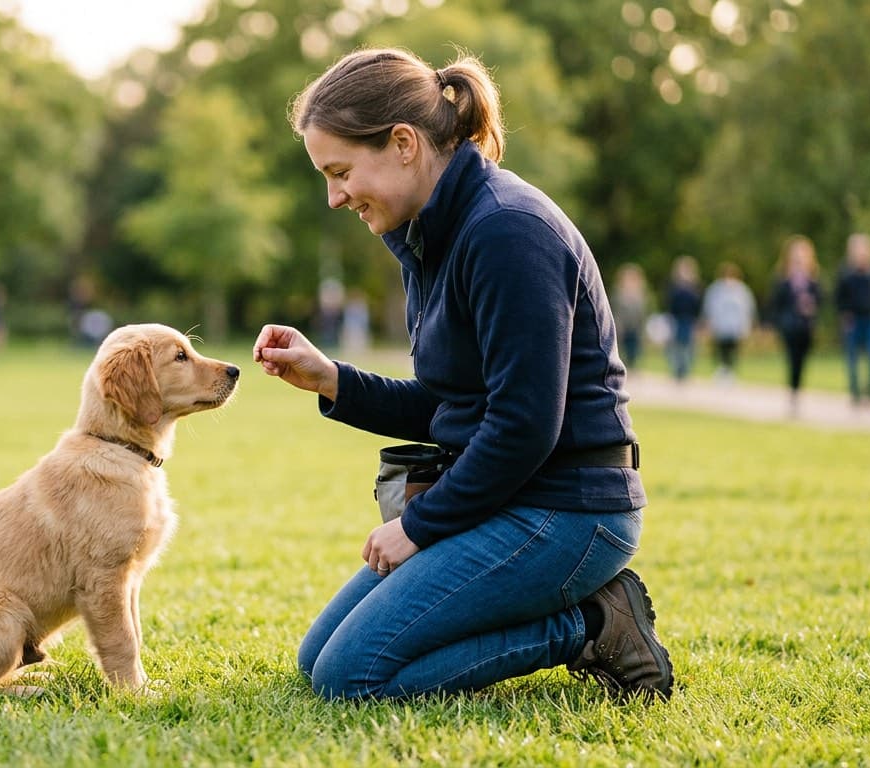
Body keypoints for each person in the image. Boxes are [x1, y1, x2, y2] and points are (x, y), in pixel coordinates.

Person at [252, 48, 671, 702]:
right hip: (512, 498)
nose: (334, 197)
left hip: (570, 510)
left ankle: (594, 624)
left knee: (352, 677)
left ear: (403, 143)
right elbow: (455, 406)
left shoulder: (507, 231)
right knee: (317, 661)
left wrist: (419, 527)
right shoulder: (431, 234)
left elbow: (524, 426)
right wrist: (330, 379)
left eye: (340, 172)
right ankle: (570, 614)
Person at [835, 233, 870, 405]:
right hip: (853, 320)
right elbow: (838, 298)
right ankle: (855, 393)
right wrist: (844, 313)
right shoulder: (845, 273)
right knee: (852, 358)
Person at [769, 236, 822, 411]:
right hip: (789, 326)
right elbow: (776, 303)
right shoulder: (783, 280)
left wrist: (811, 307)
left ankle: (797, 389)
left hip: (806, 327)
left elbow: (822, 300)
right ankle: (793, 392)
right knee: (792, 359)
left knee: (802, 360)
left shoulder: (813, 280)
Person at [701, 262, 756, 382]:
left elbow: (747, 309)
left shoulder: (742, 291)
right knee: (721, 350)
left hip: (735, 327)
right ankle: (722, 371)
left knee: (733, 350)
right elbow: (710, 307)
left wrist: (746, 325)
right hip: (721, 326)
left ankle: (730, 372)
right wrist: (709, 323)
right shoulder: (716, 290)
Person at [664, 256, 702, 383]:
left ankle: (685, 371)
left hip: (689, 320)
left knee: (688, 347)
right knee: (676, 346)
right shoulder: (674, 287)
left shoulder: (694, 288)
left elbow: (697, 306)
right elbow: (670, 304)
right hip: (676, 319)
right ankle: (677, 371)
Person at [611, 263, 649, 369]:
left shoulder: (641, 295)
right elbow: (616, 310)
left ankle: (632, 364)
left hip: (636, 326)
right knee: (623, 347)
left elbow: (642, 313)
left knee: (634, 348)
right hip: (623, 326)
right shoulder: (618, 294)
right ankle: (625, 365)